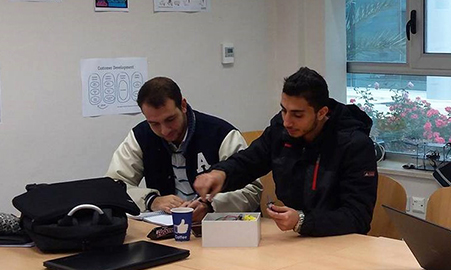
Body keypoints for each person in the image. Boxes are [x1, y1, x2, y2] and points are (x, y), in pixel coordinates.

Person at [194, 67, 378, 236]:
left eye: (297, 115)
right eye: (284, 110)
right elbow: (249, 161)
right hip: (297, 238)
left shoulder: (354, 145)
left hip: (341, 242)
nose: (287, 121)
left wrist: (302, 221)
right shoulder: (281, 130)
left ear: (322, 113)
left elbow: (357, 217)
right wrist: (221, 174)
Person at [106, 76, 261, 221]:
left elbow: (252, 190)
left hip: (221, 226)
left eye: (170, 119)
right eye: (154, 124)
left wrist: (210, 206)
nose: (164, 130)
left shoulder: (221, 134)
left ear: (183, 106)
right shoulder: (140, 136)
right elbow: (112, 187)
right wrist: (151, 200)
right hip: (167, 228)